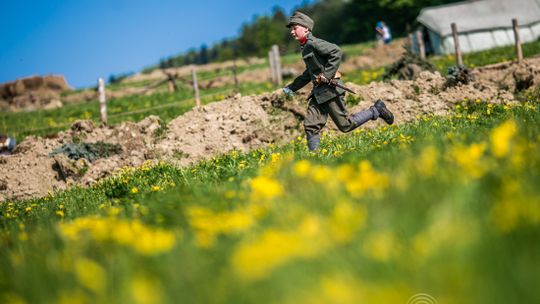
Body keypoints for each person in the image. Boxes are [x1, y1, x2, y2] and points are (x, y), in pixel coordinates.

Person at [282, 11, 394, 151]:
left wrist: (327, 75)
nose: (292, 32)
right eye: (291, 29)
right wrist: (291, 88)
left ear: (306, 28)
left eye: (295, 28)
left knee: (346, 125)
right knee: (310, 126)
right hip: (319, 93)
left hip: (330, 91)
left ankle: (376, 110)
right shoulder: (305, 48)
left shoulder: (314, 43)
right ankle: (315, 157)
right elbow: (308, 74)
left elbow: (336, 52)